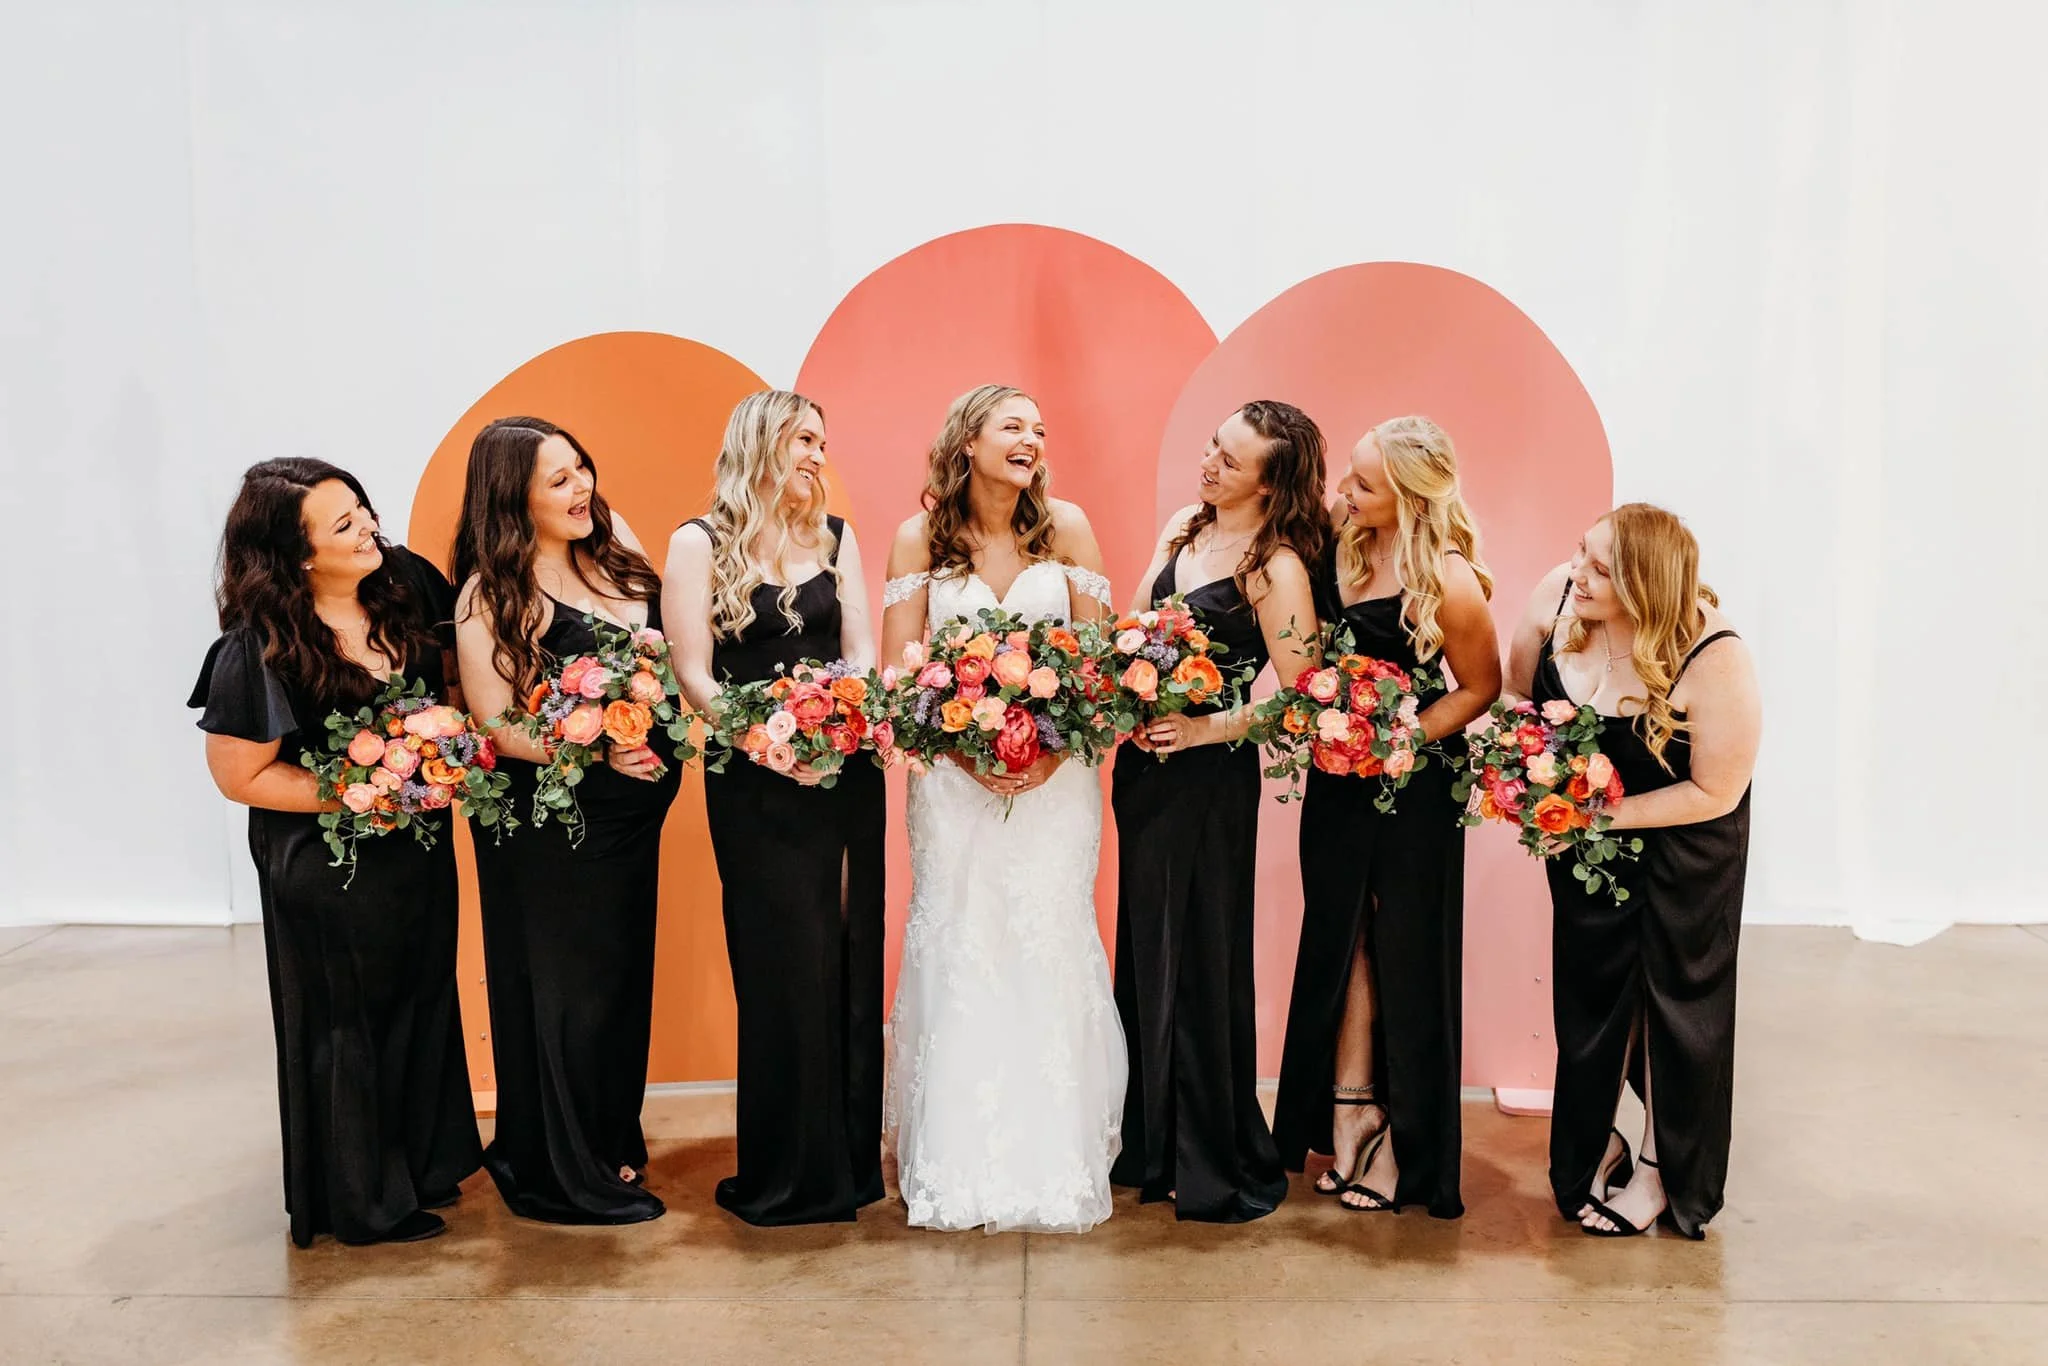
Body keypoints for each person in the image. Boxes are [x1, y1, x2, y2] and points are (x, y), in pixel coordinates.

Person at [190, 458, 480, 1246]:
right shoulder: (260, 647)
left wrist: (439, 747)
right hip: (326, 862)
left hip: (413, 849)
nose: (369, 531)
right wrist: (365, 787)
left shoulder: (407, 585)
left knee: (421, 996)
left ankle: (420, 1164)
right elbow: (240, 774)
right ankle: (362, 1201)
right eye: (343, 525)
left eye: (364, 511)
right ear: (297, 554)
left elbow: (453, 681)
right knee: (347, 1023)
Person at [878, 383, 1128, 1233]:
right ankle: (957, 1159)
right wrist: (964, 754)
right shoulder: (919, 538)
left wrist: (1049, 754)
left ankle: (1054, 1156)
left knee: (1045, 939)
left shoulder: (1070, 528)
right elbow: (900, 676)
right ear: (968, 441)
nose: (1032, 438)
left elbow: (1102, 669)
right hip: (952, 788)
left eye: (1039, 427)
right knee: (964, 941)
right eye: (1012, 425)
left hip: (1058, 788)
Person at [663, 390, 887, 1225]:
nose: (817, 456)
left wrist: (837, 726)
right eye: (802, 439)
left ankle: (848, 1165)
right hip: (755, 784)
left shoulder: (836, 538)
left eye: (823, 441)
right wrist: (769, 743)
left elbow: (859, 650)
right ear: (760, 443)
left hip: (845, 776)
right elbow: (695, 676)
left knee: (848, 949)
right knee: (782, 963)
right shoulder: (699, 543)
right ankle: (788, 1169)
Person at [1505, 503, 1760, 1238]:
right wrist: (1526, 784)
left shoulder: (1711, 655)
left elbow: (1718, 791)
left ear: (1648, 589)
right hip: (1586, 850)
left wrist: (1594, 819)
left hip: (1685, 854)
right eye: (1582, 552)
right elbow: (1520, 704)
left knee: (1674, 1012)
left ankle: (1659, 1172)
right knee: (1591, 1004)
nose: (1578, 575)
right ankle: (1598, 1139)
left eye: (1602, 570)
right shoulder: (1558, 599)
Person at [1272, 415, 1501, 1217]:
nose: (1345, 492)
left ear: (1408, 496)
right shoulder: (1341, 542)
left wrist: (1399, 738)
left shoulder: (1449, 578)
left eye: (1364, 484)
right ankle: (1350, 1110)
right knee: (1343, 943)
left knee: (1404, 950)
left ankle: (1405, 1146)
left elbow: (1480, 687)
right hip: (1338, 780)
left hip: (1416, 790)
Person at [452, 416, 678, 1225]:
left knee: (619, 983)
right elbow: (494, 724)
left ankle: (610, 1137)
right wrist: (593, 749)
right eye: (558, 479)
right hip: (550, 827)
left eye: (582, 467)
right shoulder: (490, 592)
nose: (582, 487)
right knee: (563, 990)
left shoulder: (616, 548)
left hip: (630, 820)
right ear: (513, 497)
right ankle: (558, 1166)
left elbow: (665, 663)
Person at [1109, 401, 1327, 1222]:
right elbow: (1132, 629)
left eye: (1231, 462)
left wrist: (1207, 727)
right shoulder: (1179, 528)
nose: (1209, 465)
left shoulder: (1277, 569)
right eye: (1212, 447)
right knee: (1146, 945)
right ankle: (1149, 1140)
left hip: (1211, 782)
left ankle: (1205, 1146)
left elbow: (1305, 700)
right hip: (1144, 774)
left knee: (1201, 953)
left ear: (1270, 488)